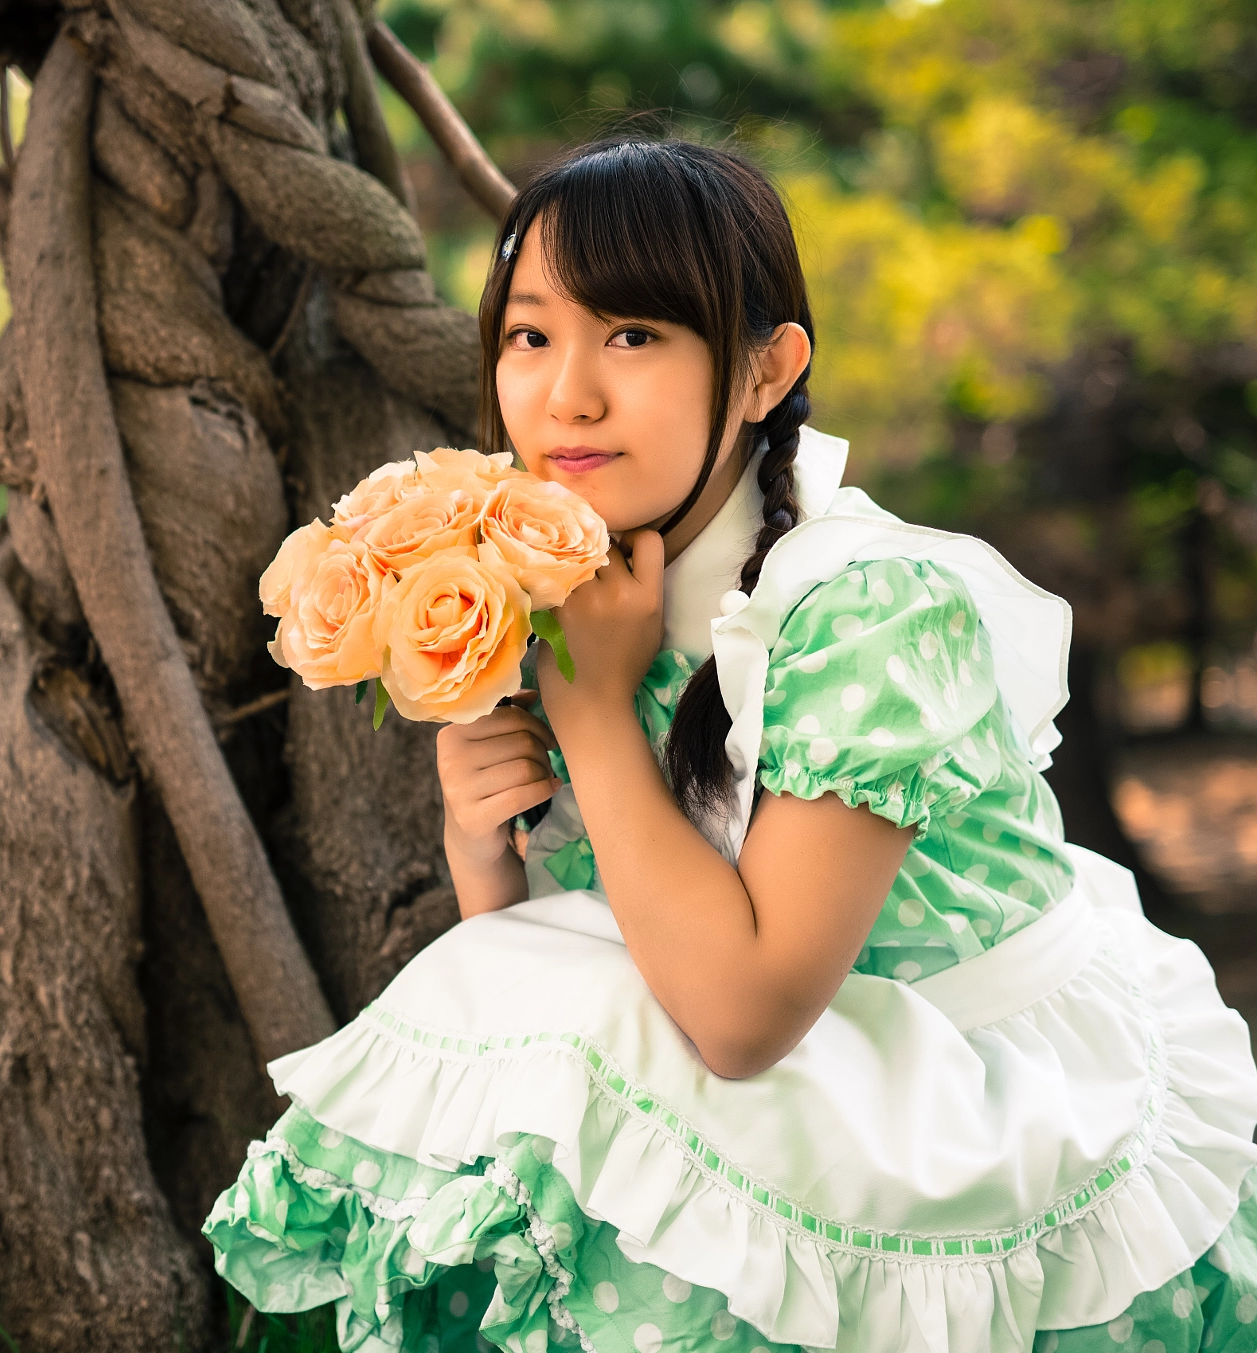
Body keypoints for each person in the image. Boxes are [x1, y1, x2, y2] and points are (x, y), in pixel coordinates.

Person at [204, 138, 1257, 1353]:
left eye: (633, 335)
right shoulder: (564, 588)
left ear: (766, 369)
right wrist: (483, 860)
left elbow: (740, 1015)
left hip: (951, 1095)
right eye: (530, 337)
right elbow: (593, 972)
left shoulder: (868, 610)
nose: (567, 396)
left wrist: (594, 718)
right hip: (754, 1071)